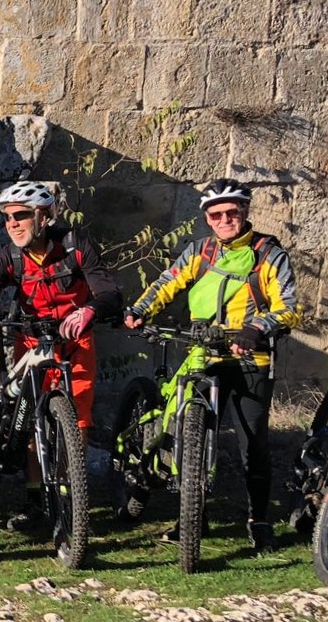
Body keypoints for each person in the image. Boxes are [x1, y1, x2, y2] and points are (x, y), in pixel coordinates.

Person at [123, 178, 299, 553]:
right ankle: (191, 516)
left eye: (232, 212)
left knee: (252, 444)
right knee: (188, 434)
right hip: (202, 351)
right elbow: (168, 282)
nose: (225, 219)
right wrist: (140, 309)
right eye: (216, 214)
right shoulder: (201, 251)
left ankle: (260, 520)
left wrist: (256, 328)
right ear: (207, 218)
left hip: (249, 357)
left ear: (245, 212)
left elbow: (290, 307)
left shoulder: (268, 254)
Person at [0, 180, 122, 528]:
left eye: (21, 216)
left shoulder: (76, 247)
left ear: (44, 216)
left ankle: (70, 499)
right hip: (31, 342)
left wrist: (89, 311)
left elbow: (109, 293)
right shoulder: (10, 256)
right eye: (7, 218)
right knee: (31, 417)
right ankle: (34, 500)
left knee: (77, 418)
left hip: (74, 343)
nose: (13, 224)